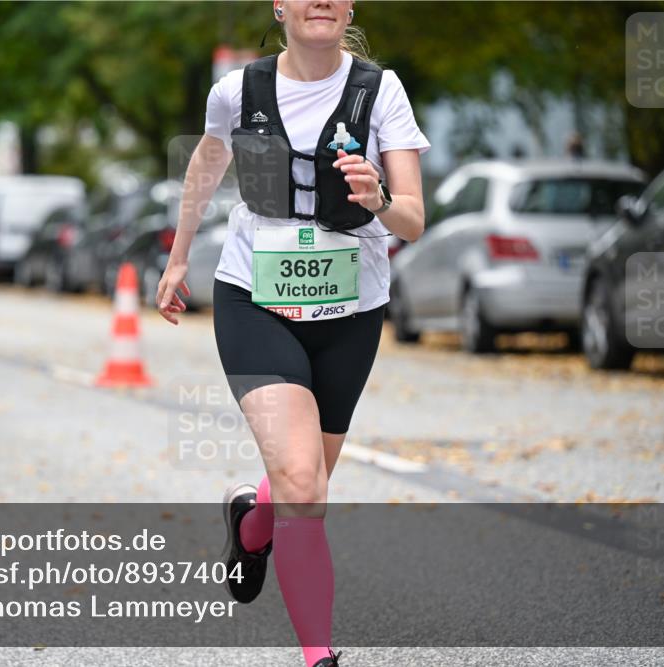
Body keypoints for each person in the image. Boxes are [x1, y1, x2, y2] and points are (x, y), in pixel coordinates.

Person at [156, 2, 430, 665]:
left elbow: (415, 220)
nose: (322, 1)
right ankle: (320, 656)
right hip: (254, 298)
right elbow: (206, 165)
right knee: (305, 487)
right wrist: (176, 258)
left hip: (350, 314)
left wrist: (379, 200)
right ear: (280, 6)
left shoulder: (379, 90)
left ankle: (251, 525)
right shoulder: (238, 91)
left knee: (298, 481)